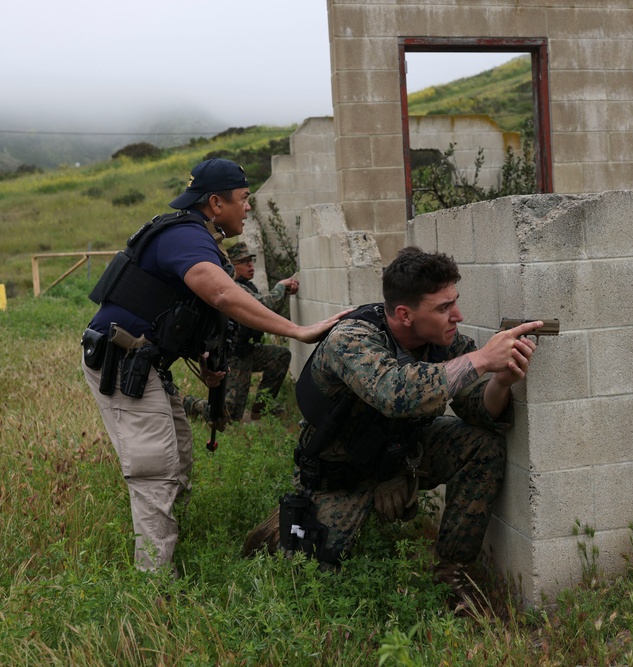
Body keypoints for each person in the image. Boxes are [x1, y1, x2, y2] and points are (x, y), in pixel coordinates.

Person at [80, 158, 344, 575]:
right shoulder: (184, 237)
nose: (248, 208)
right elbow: (221, 295)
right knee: (156, 468)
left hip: (144, 361)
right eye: (243, 199)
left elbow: (183, 313)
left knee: (179, 452)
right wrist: (297, 330)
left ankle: (165, 537)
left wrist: (203, 362)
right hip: (121, 362)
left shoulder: (194, 235)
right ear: (215, 203)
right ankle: (152, 585)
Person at [243, 246, 542, 614]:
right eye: (443, 308)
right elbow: (395, 393)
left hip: (400, 454)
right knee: (308, 584)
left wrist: (501, 381)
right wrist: (481, 359)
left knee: (482, 445)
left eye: (455, 303)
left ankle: (451, 572)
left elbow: (477, 407)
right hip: (343, 475)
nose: (457, 316)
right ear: (404, 314)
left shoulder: (442, 343)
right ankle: (278, 529)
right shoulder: (351, 339)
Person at [183, 242, 296, 423]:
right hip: (233, 356)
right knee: (230, 414)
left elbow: (265, 314)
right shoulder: (235, 287)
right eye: (244, 262)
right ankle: (190, 404)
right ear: (233, 266)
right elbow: (265, 305)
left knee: (280, 356)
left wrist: (284, 292)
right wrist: (282, 286)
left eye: (251, 261)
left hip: (248, 350)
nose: (250, 266)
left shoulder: (248, 287)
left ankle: (263, 407)